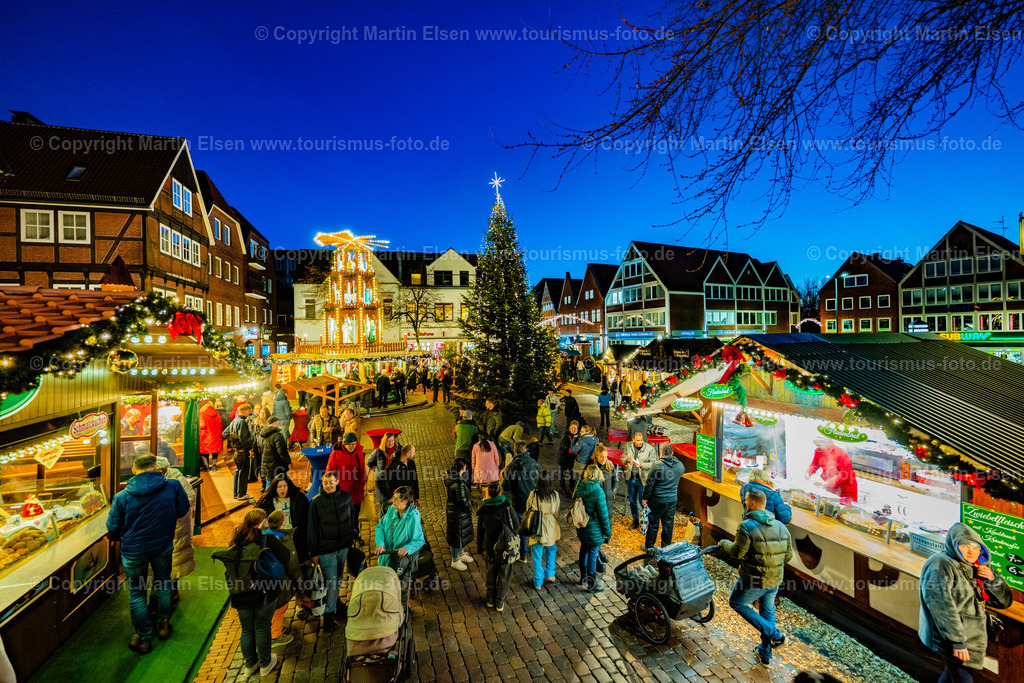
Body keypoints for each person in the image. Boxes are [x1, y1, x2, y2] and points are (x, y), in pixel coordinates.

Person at [107, 454, 189, 654]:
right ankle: (164, 624)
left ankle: (144, 638)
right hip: (163, 545)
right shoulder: (172, 486)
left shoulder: (122, 497)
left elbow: (113, 527)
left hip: (134, 551)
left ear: (133, 471)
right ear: (155, 467)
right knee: (164, 583)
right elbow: (182, 510)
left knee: (137, 592)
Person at [919, 522, 1012, 682]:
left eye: (975, 547)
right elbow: (941, 606)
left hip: (970, 634)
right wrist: (957, 641)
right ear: (954, 545)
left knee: (951, 674)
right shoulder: (940, 563)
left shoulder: (978, 565)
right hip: (951, 636)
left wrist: (992, 579)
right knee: (962, 677)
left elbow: (1004, 602)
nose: (971, 551)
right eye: (964, 546)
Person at [212, 508, 293, 677]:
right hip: (263, 592)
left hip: (239, 593)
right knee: (262, 628)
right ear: (261, 523)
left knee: (247, 630)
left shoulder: (236, 540)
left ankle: (250, 665)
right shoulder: (267, 539)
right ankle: (265, 664)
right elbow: (286, 556)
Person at [719, 488, 794, 666]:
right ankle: (765, 652)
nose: (744, 503)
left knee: (736, 602)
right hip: (775, 580)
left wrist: (723, 543)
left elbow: (737, 553)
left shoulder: (746, 526)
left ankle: (776, 635)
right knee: (767, 613)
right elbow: (788, 556)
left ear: (752, 504)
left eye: (746, 501)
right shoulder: (781, 527)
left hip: (753, 580)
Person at [307, 470, 356, 632]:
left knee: (338, 579)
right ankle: (328, 617)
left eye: (331, 482)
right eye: (325, 483)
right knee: (333, 582)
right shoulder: (316, 502)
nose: (328, 485)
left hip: (343, 547)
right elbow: (312, 529)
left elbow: (352, 516)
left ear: (337, 482)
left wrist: (352, 533)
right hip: (326, 551)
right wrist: (313, 553)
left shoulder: (346, 496)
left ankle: (334, 608)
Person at [155, 457, 196, 604]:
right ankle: (162, 594)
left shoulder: (176, 480)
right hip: (162, 528)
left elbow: (190, 498)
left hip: (176, 527)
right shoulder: (156, 481)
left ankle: (172, 593)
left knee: (174, 560)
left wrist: (172, 511)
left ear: (160, 470)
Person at [476, 482, 519, 611]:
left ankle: (490, 600)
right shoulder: (507, 506)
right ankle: (500, 603)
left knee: (490, 574)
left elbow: (480, 532)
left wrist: (480, 548)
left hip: (490, 548)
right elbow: (516, 525)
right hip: (506, 547)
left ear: (488, 494)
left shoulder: (483, 510)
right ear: (499, 493)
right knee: (504, 576)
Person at [374, 486, 425, 592]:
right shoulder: (391, 509)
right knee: (385, 584)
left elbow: (419, 540)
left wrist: (407, 548)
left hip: (400, 560)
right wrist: (380, 543)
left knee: (399, 588)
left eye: (396, 498)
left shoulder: (414, 517)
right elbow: (380, 527)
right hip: (386, 555)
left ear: (405, 501)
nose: (392, 500)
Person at [256, 473, 310, 567]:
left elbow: (308, 520)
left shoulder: (299, 498)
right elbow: (257, 520)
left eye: (285, 486)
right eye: (279, 486)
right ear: (275, 488)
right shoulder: (266, 501)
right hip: (276, 539)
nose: (282, 489)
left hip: (296, 539)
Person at [264, 510, 300, 647]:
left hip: (267, 577)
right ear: (283, 522)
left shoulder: (264, 536)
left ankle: (274, 630)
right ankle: (275, 635)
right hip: (279, 578)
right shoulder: (282, 539)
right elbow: (291, 563)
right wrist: (299, 580)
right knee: (280, 606)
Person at [573, 463, 611, 592]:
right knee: (593, 555)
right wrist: (608, 533)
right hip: (594, 529)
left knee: (583, 550)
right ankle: (591, 583)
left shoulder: (580, 486)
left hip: (582, 527)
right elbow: (603, 516)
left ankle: (583, 577)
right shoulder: (598, 492)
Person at [642, 444, 685, 550]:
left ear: (662, 453)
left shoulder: (657, 465)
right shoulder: (680, 465)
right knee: (668, 525)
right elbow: (681, 473)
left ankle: (649, 548)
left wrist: (645, 497)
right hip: (672, 499)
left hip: (657, 499)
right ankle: (666, 549)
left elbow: (649, 483)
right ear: (672, 453)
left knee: (653, 524)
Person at [503, 440, 540, 561]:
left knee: (521, 527)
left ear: (515, 451)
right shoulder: (535, 464)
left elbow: (506, 486)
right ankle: (536, 549)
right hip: (533, 500)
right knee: (535, 523)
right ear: (526, 450)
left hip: (518, 500)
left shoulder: (512, 466)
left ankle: (523, 554)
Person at [526, 471, 561, 591]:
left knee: (537, 555)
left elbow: (528, 509)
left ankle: (538, 582)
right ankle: (550, 573)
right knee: (552, 549)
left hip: (537, 526)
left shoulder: (533, 495)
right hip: (550, 525)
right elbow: (557, 512)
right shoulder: (555, 495)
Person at [326, 432, 366, 522]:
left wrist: (364, 481)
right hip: (344, 492)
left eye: (354, 444)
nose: (352, 447)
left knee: (356, 515)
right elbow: (329, 473)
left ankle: (356, 530)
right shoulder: (335, 455)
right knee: (346, 517)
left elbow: (363, 468)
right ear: (344, 444)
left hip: (357, 491)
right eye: (349, 444)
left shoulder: (359, 451)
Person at [623, 431, 658, 529]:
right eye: (638, 440)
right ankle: (635, 521)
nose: (640, 442)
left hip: (643, 479)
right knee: (632, 501)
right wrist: (626, 459)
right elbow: (622, 459)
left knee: (643, 502)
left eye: (641, 440)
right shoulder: (628, 446)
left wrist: (641, 465)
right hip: (631, 478)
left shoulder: (649, 449)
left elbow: (654, 464)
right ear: (633, 440)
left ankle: (646, 522)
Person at [445, 459, 475, 571]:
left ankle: (461, 554)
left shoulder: (454, 479)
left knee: (459, 535)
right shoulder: (458, 483)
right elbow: (462, 501)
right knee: (456, 537)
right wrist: (469, 507)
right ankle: (455, 560)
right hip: (457, 514)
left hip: (456, 513)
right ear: (463, 468)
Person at [224, 404, 255, 501]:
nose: (250, 413)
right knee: (243, 473)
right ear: (244, 411)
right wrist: (250, 449)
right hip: (243, 451)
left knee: (238, 471)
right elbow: (244, 439)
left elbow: (225, 433)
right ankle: (241, 494)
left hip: (237, 452)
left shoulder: (235, 420)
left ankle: (236, 493)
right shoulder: (242, 422)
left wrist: (234, 442)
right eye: (249, 411)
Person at [367, 431, 400, 520]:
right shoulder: (378, 452)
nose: (390, 443)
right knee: (384, 509)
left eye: (392, 441)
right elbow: (369, 462)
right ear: (384, 441)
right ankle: (384, 525)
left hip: (395, 483)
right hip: (383, 484)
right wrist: (377, 470)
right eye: (388, 441)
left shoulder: (398, 451)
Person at [379, 444, 420, 512]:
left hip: (409, 500)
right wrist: (390, 496)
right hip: (398, 502)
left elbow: (415, 480)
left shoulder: (411, 463)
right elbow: (380, 481)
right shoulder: (393, 466)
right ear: (407, 454)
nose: (414, 454)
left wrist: (416, 497)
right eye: (413, 452)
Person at [259, 416, 292, 491]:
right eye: (278, 423)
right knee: (282, 483)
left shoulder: (261, 435)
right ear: (274, 423)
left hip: (265, 465)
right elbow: (282, 451)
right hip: (278, 465)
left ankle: (268, 497)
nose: (279, 424)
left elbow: (259, 450)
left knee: (269, 484)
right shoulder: (277, 435)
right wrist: (288, 462)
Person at [591, 444, 619, 517]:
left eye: (605, 457)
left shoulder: (610, 465)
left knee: (607, 520)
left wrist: (613, 492)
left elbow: (615, 480)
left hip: (608, 500)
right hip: (596, 502)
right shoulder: (591, 467)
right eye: (601, 457)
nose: (604, 459)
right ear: (597, 456)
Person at [199, 399, 223, 472]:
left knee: (204, 452)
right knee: (215, 452)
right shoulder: (217, 414)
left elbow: (202, 426)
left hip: (205, 436)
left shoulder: (202, 414)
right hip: (216, 435)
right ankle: (214, 467)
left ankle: (206, 467)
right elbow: (220, 425)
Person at [558, 421, 580, 496]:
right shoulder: (565, 434)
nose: (573, 429)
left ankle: (571, 487)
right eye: (572, 427)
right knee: (562, 473)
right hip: (564, 457)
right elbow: (563, 445)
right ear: (569, 427)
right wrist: (571, 448)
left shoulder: (579, 435)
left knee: (572, 473)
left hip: (572, 458)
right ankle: (562, 488)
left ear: (577, 428)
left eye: (575, 428)